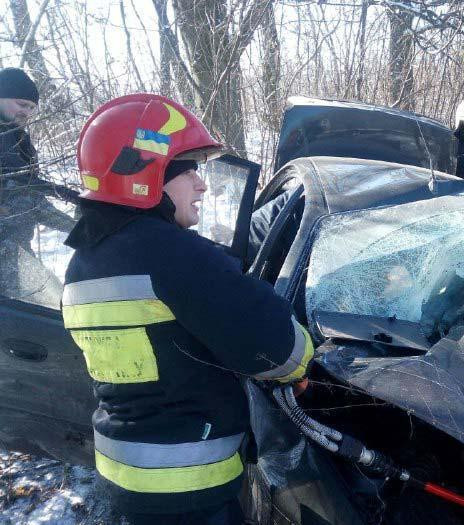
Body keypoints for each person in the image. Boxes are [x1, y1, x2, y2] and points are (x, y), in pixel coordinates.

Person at [61, 94, 313, 525]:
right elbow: (278, 348)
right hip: (188, 485)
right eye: (189, 170)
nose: (202, 184)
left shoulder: (81, 262)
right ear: (147, 174)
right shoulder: (171, 254)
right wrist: (305, 360)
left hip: (125, 473)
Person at [0, 68, 75, 298]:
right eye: (21, 104)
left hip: (17, 251)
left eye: (31, 108)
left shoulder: (19, 139)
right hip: (7, 253)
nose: (26, 112)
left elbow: (31, 200)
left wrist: (76, 228)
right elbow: (19, 191)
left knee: (49, 304)